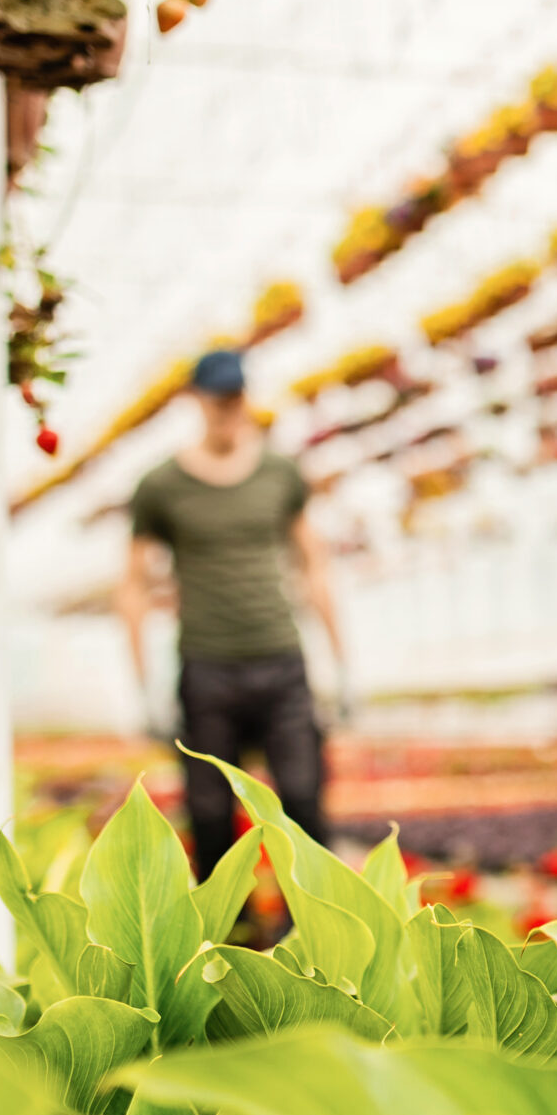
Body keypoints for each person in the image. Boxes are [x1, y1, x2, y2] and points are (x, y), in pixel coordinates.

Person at [117, 349, 345, 876]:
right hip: (208, 670)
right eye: (216, 398)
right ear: (195, 400)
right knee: (210, 815)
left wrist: (340, 661)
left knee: (305, 803)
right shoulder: (162, 487)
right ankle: (227, 942)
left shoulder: (280, 473)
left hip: (282, 662)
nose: (227, 408)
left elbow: (314, 563)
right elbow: (132, 585)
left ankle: (310, 940)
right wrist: (142, 683)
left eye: (235, 397)